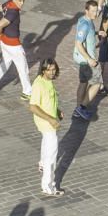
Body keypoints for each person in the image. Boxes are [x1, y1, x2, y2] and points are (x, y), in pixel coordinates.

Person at [29, 59, 63, 197]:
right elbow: (33, 107)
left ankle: (42, 164)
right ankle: (48, 185)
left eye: (53, 69)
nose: (52, 72)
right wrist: (51, 119)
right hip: (47, 123)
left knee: (46, 144)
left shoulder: (47, 81)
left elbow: (49, 101)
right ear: (43, 70)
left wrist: (57, 111)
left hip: (48, 122)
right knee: (52, 156)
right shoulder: (39, 85)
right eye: (48, 70)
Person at [72, 1, 101, 121]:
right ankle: (82, 107)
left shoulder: (85, 20)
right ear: (86, 10)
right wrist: (89, 59)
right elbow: (78, 43)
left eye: (96, 10)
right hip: (86, 60)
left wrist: (97, 33)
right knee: (97, 84)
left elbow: (86, 35)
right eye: (93, 11)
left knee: (83, 83)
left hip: (81, 59)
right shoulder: (85, 24)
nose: (95, 13)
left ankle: (78, 110)